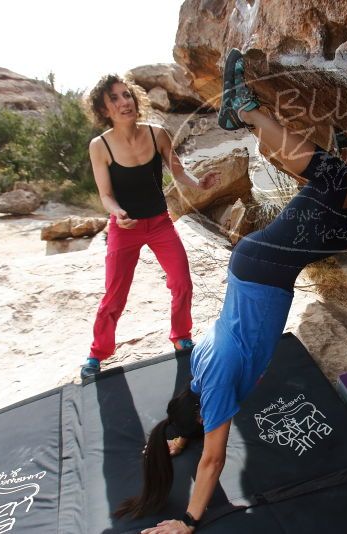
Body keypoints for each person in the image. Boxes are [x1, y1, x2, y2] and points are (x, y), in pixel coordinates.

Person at [116, 50, 347, 534]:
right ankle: (340, 146)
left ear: (203, 413)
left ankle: (242, 109)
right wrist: (175, 435)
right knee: (346, 227)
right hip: (255, 268)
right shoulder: (200, 372)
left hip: (265, 268)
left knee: (332, 179)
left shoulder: (214, 389)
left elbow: (213, 463)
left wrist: (188, 521)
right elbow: (191, 407)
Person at [81, 74, 220, 379]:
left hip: (159, 223)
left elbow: (179, 173)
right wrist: (117, 213)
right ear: (105, 110)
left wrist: (200, 182)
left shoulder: (157, 134)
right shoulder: (100, 146)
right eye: (114, 98)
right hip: (124, 228)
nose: (124, 102)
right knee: (115, 295)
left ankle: (181, 335)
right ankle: (98, 353)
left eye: (126, 95)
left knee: (182, 281)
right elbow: (105, 195)